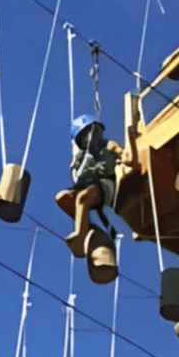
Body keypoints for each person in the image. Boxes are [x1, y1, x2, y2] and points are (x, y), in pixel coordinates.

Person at [55, 116, 121, 283]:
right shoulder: (83, 158)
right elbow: (78, 177)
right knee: (62, 197)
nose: (87, 139)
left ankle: (80, 235)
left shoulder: (108, 146)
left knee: (84, 198)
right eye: (83, 137)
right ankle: (88, 231)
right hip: (91, 186)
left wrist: (123, 159)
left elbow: (123, 154)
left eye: (88, 133)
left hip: (108, 186)